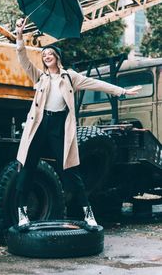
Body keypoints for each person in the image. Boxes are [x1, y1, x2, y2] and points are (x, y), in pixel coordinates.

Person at [15, 18, 141, 230]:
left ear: (57, 58)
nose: (46, 57)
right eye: (44, 55)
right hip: (38, 125)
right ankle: (22, 214)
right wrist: (19, 35)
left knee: (70, 171)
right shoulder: (40, 77)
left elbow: (96, 83)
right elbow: (23, 59)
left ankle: (88, 214)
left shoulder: (70, 77)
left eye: (50, 54)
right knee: (27, 168)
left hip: (59, 125)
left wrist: (121, 91)